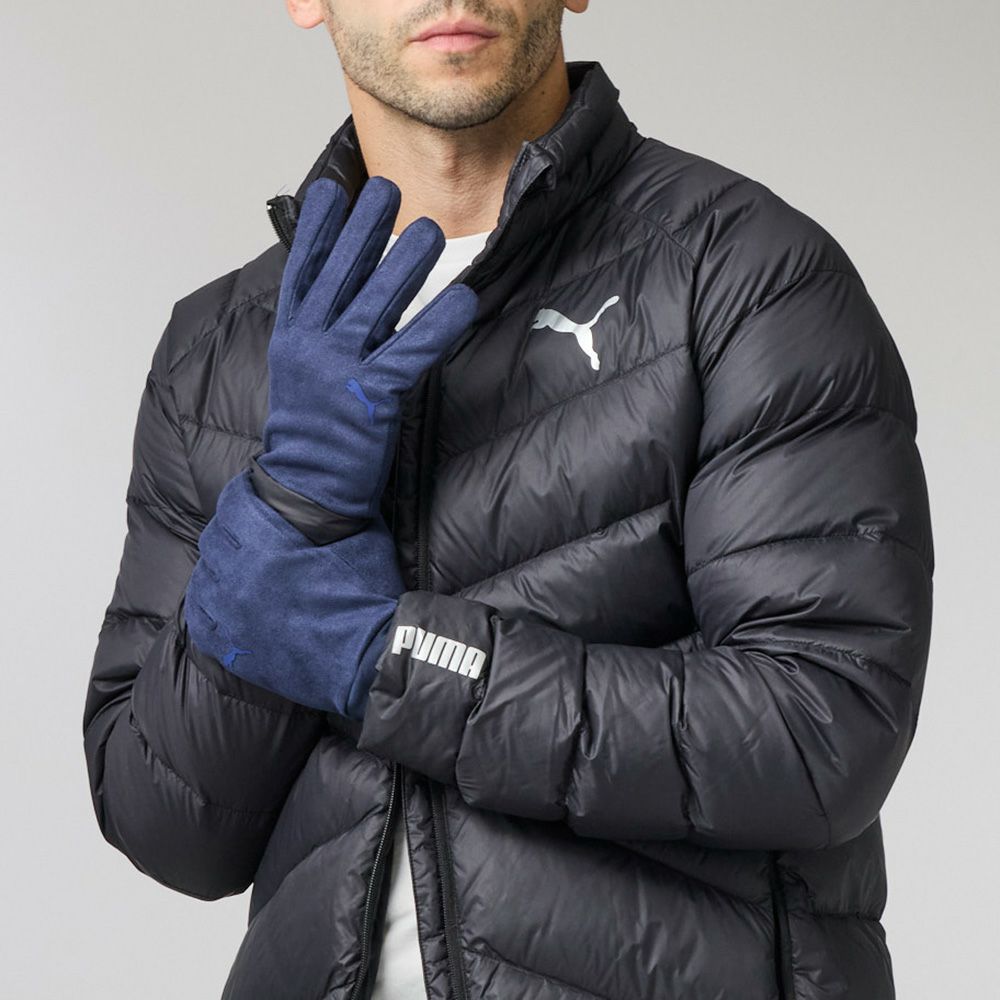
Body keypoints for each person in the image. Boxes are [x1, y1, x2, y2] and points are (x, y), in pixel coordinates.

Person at [81, 2, 934, 998]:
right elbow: (169, 828)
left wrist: (388, 658)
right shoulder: (216, 352)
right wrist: (290, 503)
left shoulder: (743, 274)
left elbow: (818, 732)